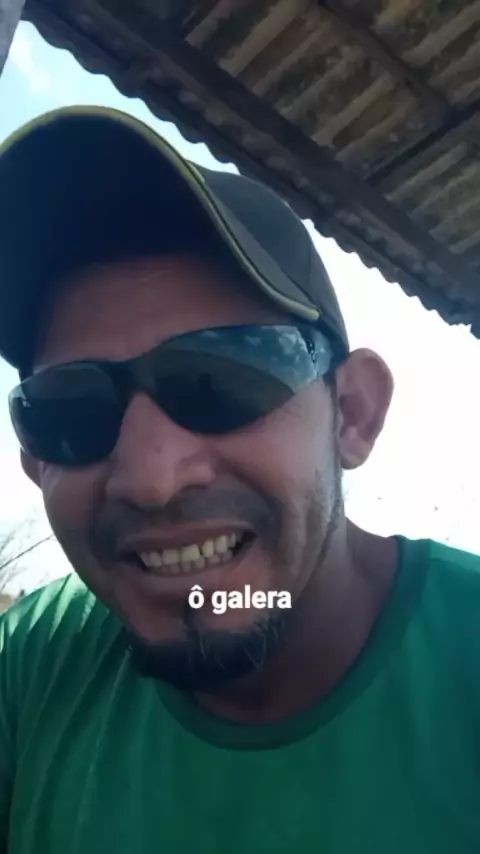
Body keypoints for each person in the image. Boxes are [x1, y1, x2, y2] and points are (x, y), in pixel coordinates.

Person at [0, 106, 479, 854]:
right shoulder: (35, 656)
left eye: (220, 378)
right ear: (38, 464)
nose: (151, 479)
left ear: (352, 415)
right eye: (70, 410)